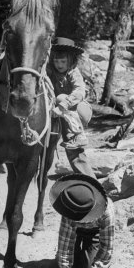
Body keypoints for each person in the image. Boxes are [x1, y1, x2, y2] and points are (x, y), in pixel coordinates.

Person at [49, 173, 114, 268]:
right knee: (68, 265)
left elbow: (107, 247)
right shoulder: (69, 207)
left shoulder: (107, 211)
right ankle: (76, 254)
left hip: (95, 232)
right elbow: (65, 242)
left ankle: (85, 253)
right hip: (75, 230)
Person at [47, 37, 95, 177]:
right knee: (61, 141)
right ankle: (85, 176)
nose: (59, 65)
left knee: (61, 97)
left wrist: (62, 105)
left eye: (63, 62)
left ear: (70, 61)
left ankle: (78, 136)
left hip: (80, 110)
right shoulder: (51, 72)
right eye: (56, 61)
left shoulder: (74, 72)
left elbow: (79, 92)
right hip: (61, 114)